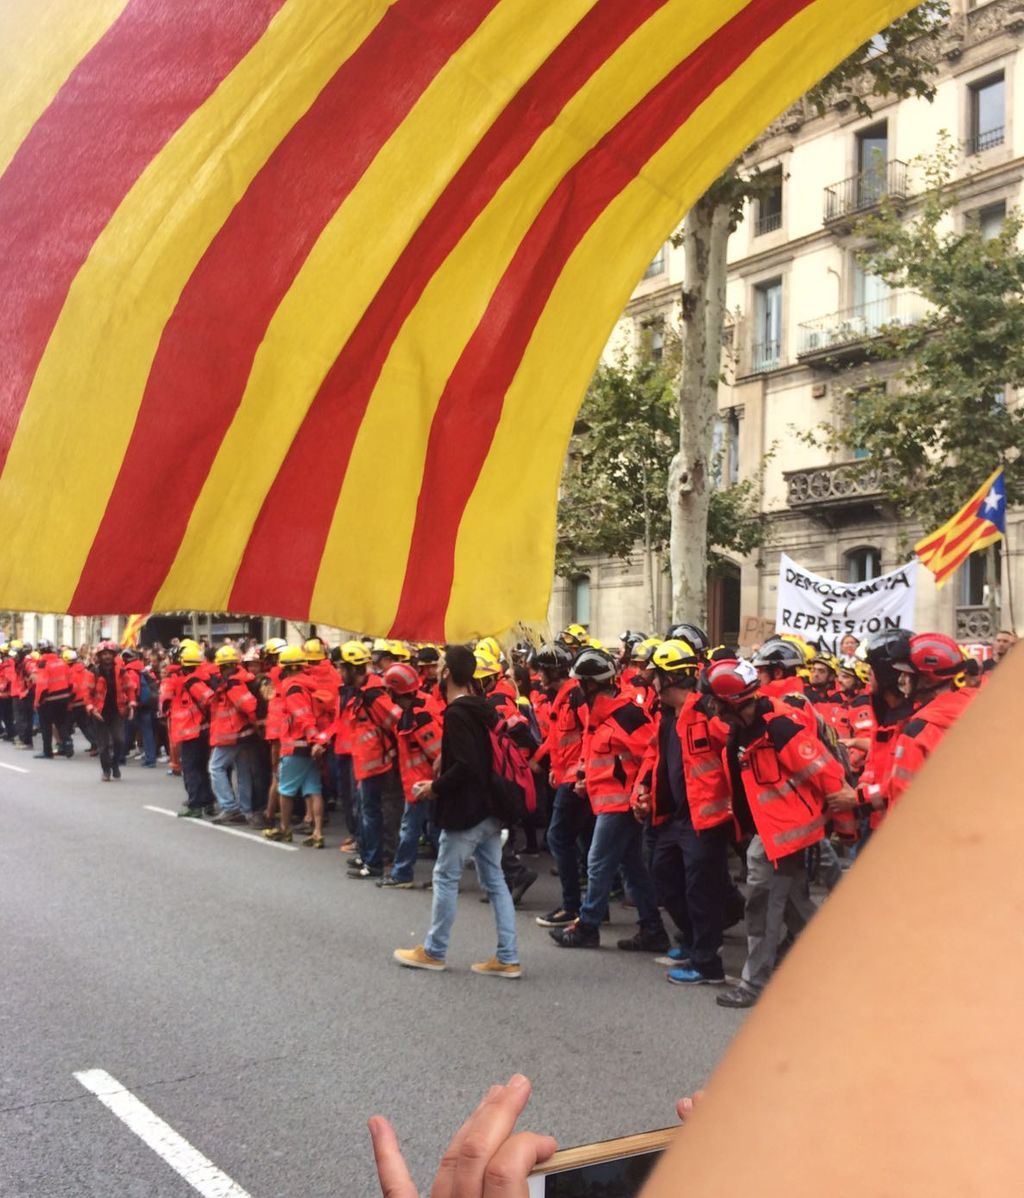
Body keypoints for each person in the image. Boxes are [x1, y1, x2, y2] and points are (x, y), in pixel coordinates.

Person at [705, 658, 853, 1009]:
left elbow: (829, 775)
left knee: (762, 909)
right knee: (796, 908)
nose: (711, 706)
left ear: (732, 701)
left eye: (715, 700)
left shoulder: (779, 727)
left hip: (783, 838)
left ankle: (754, 984)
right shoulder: (742, 728)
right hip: (770, 834)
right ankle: (842, 966)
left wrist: (844, 829)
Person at [393, 644, 521, 978]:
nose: (435, 672)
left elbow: (468, 766)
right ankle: (508, 957)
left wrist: (434, 787)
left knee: (445, 877)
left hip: (467, 812)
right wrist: (443, 760)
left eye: (439, 667)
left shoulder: (456, 713)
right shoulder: (481, 707)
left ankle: (434, 951)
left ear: (448, 673)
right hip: (491, 808)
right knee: (495, 880)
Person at [548, 647, 668, 953]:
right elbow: (600, 757)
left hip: (621, 805)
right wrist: (584, 780)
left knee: (598, 862)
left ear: (591, 684)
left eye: (580, 683)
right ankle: (652, 928)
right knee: (632, 868)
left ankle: (588, 926)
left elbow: (651, 755)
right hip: (608, 802)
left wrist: (641, 792)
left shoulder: (626, 714)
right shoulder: (601, 715)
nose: (576, 688)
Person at [633, 639, 733, 985]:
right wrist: (642, 787)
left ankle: (708, 965)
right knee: (664, 879)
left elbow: (735, 743)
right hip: (673, 817)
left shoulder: (706, 711)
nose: (651, 683)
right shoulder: (666, 717)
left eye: (656, 676)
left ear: (669, 678)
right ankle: (694, 942)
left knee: (700, 891)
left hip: (706, 819)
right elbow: (653, 757)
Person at [530, 643, 590, 928]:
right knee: (585, 842)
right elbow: (557, 739)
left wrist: (579, 771)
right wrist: (548, 764)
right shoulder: (562, 697)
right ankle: (593, 907)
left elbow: (590, 735)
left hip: (575, 781)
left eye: (541, 669)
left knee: (558, 838)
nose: (537, 674)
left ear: (552, 669)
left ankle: (571, 906)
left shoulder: (576, 697)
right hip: (566, 777)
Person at [888, 633, 976, 808]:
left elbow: (903, 802)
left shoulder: (917, 731)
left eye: (907, 675)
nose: (902, 681)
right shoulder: (982, 710)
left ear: (927, 680)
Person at [339, 640, 402, 879]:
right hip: (365, 764)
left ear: (352, 669)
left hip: (377, 765)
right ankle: (366, 855)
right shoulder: (363, 693)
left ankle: (373, 862)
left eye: (342, 668)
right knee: (365, 812)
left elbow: (396, 721)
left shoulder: (373, 695)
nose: (339, 673)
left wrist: (392, 754)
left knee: (371, 813)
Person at [377, 661, 442, 888]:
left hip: (422, 784)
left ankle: (402, 874)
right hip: (423, 782)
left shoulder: (419, 717)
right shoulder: (420, 706)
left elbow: (438, 752)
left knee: (412, 830)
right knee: (434, 830)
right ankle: (442, 876)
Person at [264, 645, 329, 845]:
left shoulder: (292, 688)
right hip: (311, 746)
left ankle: (285, 829)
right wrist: (317, 742)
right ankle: (317, 833)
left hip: (296, 746)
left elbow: (302, 716)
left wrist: (312, 739)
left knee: (286, 790)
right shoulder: (310, 685)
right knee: (313, 789)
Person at [207, 644, 261, 826]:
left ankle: (230, 808)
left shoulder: (233, 684)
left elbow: (249, 705)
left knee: (216, 768)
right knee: (243, 771)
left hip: (232, 734)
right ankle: (245, 810)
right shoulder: (239, 680)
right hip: (242, 733)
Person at [171, 642, 216, 817]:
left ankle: (195, 804)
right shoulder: (201, 677)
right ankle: (207, 801)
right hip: (200, 730)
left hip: (194, 731)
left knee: (191, 769)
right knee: (200, 768)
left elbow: (208, 699)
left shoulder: (192, 681)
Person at [86, 641, 133, 781]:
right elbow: (87, 693)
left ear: (113, 655)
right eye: (104, 654)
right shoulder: (93, 672)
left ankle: (115, 764)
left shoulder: (122, 671)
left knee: (120, 740)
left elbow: (129, 688)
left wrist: (131, 703)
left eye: (109, 654)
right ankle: (106, 771)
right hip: (99, 713)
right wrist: (91, 708)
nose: (106, 656)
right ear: (99, 656)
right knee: (103, 745)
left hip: (117, 711)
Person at [32, 638, 73, 759]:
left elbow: (41, 685)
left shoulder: (43, 664)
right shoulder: (61, 662)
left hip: (49, 700)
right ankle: (68, 743)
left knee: (46, 726)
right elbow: (70, 681)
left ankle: (47, 752)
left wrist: (37, 701)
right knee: (61, 724)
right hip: (63, 698)